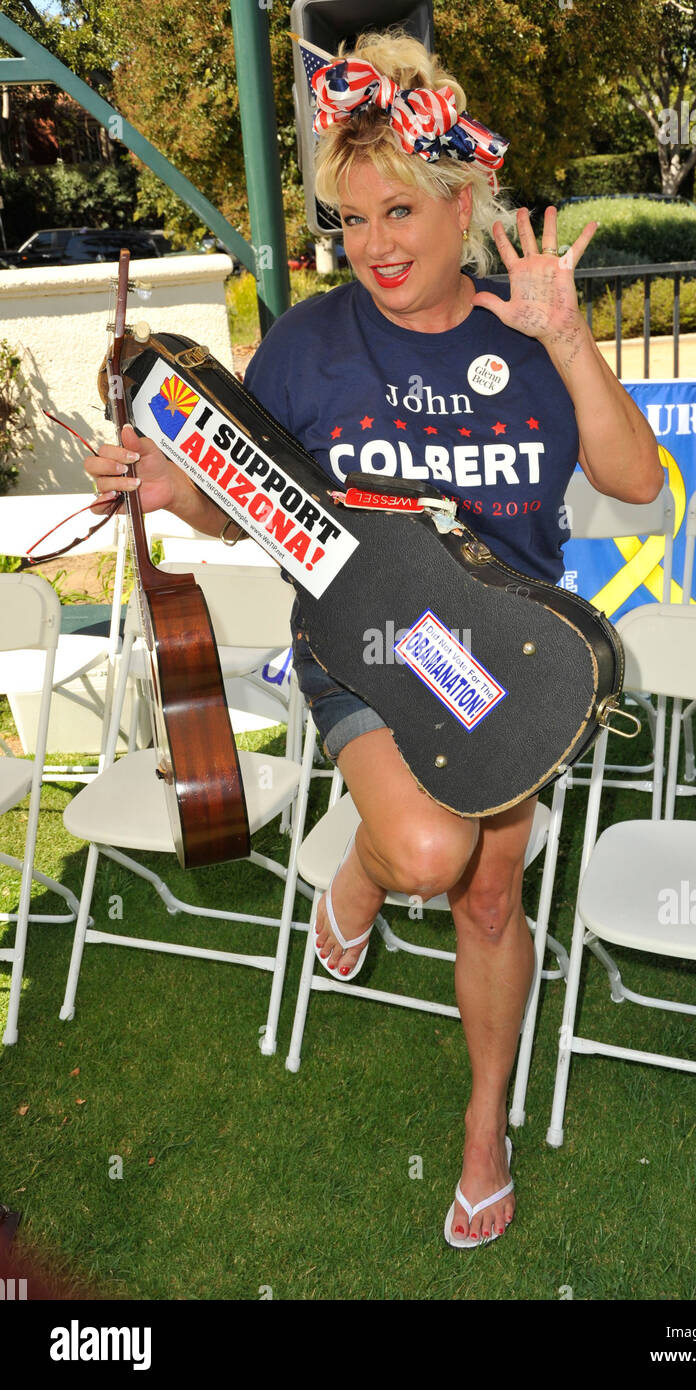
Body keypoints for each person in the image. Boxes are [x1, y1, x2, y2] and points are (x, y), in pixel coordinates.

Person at [84, 30, 662, 1248]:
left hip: (503, 649)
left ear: (466, 204)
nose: (377, 245)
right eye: (352, 220)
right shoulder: (306, 345)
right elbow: (239, 501)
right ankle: (358, 871)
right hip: (365, 636)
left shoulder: (522, 333)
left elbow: (637, 482)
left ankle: (482, 1125)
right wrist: (162, 490)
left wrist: (563, 337)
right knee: (422, 850)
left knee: (490, 893)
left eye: (400, 209)